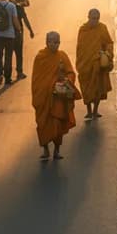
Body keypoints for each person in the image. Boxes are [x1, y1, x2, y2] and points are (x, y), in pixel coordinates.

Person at [32, 31, 81, 161]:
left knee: (58, 123)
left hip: (58, 98)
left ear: (59, 43)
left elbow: (71, 72)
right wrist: (46, 89)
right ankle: (45, 149)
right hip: (43, 97)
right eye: (51, 42)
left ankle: (57, 150)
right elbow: (36, 79)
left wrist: (66, 81)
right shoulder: (40, 57)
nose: (54, 44)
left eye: (56, 42)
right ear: (46, 42)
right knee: (43, 123)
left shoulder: (62, 56)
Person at [75, 8, 114, 120]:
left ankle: (95, 110)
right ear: (88, 17)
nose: (95, 21)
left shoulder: (102, 28)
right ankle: (88, 110)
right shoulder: (83, 30)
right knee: (86, 88)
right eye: (93, 18)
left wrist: (107, 53)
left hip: (98, 63)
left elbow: (109, 43)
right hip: (85, 64)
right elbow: (80, 47)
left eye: (97, 19)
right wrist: (80, 61)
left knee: (98, 88)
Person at [11, 0, 35, 81]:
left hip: (8, 32)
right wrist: (30, 30)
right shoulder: (20, 8)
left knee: (9, 54)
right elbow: (25, 20)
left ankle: (7, 74)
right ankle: (19, 72)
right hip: (18, 33)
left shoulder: (10, 6)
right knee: (19, 53)